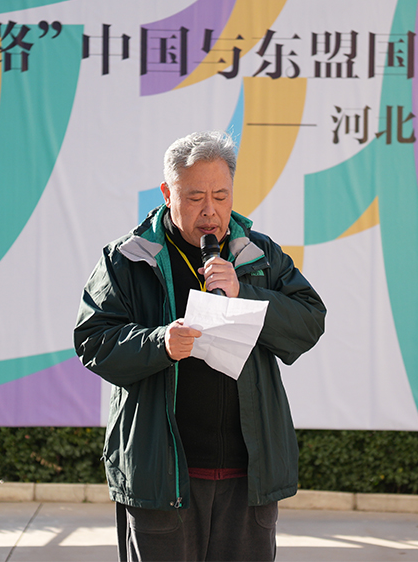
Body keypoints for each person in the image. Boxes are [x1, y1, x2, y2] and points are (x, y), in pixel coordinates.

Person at [74, 130, 327, 561]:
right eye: (194, 198)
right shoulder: (127, 259)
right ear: (167, 193)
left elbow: (309, 321)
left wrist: (246, 294)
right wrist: (160, 343)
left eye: (221, 196)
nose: (210, 211)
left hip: (247, 481)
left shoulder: (258, 254)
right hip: (162, 481)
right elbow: (93, 340)